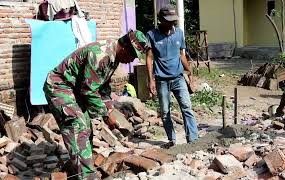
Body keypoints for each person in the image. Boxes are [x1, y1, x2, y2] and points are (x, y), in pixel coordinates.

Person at [43, 30, 149, 179]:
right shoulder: (100, 55)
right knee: (77, 126)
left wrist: (110, 109)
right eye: (133, 56)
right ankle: (86, 175)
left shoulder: (114, 59)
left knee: (86, 126)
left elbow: (103, 89)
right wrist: (106, 115)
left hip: (76, 89)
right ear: (125, 48)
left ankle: (80, 168)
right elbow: (89, 92)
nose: (132, 60)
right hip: (59, 86)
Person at [146, 5, 198, 149]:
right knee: (165, 112)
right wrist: (150, 80)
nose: (171, 23)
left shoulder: (179, 33)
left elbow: (182, 55)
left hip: (178, 78)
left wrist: (190, 72)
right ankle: (172, 140)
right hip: (161, 80)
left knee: (187, 107)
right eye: (168, 20)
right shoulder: (152, 35)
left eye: (173, 21)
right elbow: (149, 58)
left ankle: (193, 139)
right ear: (161, 20)